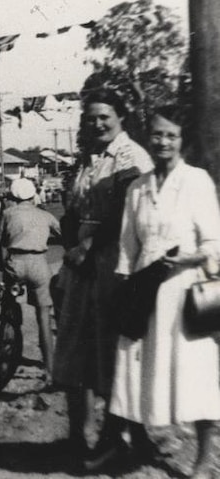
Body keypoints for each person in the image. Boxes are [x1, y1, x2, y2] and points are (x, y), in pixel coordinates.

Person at [103, 106, 220, 477]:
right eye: (157, 135)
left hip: (183, 291)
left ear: (182, 139)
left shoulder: (197, 180)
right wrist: (124, 288)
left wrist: (186, 258)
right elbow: (126, 245)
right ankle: (136, 445)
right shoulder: (138, 188)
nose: (163, 142)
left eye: (171, 135)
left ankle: (203, 458)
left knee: (193, 371)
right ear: (147, 137)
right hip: (144, 288)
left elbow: (213, 241)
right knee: (134, 366)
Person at [51, 91, 153, 466]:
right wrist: (70, 250)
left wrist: (89, 245)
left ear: (121, 117)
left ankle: (118, 440)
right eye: (91, 118)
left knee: (111, 355)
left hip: (114, 262)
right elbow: (72, 212)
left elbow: (127, 210)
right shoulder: (89, 160)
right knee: (77, 349)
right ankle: (79, 434)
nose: (97, 124)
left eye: (104, 117)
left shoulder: (131, 156)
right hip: (82, 266)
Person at [0, 178, 61, 379]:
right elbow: (63, 234)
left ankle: (6, 362)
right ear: (33, 196)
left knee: (8, 310)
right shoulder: (45, 215)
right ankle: (49, 368)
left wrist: (0, 261)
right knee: (43, 316)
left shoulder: (8, 214)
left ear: (13, 197)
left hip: (15, 261)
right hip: (39, 263)